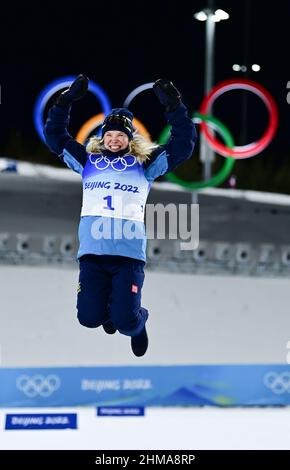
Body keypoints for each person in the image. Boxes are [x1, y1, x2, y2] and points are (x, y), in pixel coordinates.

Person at [44, 75, 196, 357]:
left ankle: (139, 322)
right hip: (93, 254)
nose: (114, 140)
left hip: (128, 256)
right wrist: (64, 101)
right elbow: (55, 136)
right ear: (102, 138)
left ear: (129, 139)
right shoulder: (87, 162)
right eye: (110, 136)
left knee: (127, 323)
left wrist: (174, 106)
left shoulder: (144, 164)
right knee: (88, 318)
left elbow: (183, 144)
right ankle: (113, 311)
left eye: (121, 136)